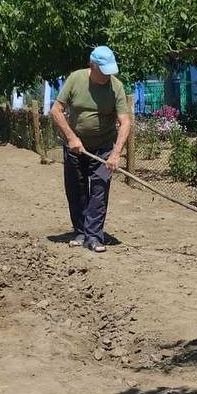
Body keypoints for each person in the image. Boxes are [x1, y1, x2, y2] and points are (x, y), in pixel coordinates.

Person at [50, 46, 132, 253]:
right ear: (92, 65)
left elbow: (125, 122)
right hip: (75, 147)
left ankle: (94, 236)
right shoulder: (75, 79)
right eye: (103, 71)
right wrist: (72, 138)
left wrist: (115, 153)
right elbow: (56, 111)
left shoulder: (116, 87)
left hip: (103, 147)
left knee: (99, 190)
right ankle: (80, 231)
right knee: (76, 190)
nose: (107, 76)